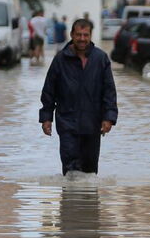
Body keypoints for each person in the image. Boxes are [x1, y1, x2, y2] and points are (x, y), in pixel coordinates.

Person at [39, 19, 118, 175]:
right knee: (71, 171)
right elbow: (49, 91)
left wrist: (108, 117)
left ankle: (88, 200)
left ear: (90, 35)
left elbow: (109, 91)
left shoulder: (100, 59)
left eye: (85, 35)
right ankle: (70, 199)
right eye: (78, 35)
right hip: (67, 123)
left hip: (92, 124)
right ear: (72, 35)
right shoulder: (60, 59)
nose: (82, 39)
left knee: (89, 172)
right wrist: (46, 118)